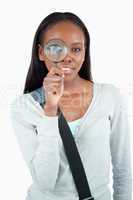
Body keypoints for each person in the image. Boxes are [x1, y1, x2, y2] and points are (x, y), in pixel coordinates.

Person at [10, 12, 132, 200]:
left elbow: (123, 169)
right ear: (41, 52)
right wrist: (50, 110)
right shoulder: (23, 107)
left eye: (76, 49)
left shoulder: (110, 97)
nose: (67, 57)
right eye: (56, 48)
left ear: (85, 53)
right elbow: (45, 182)